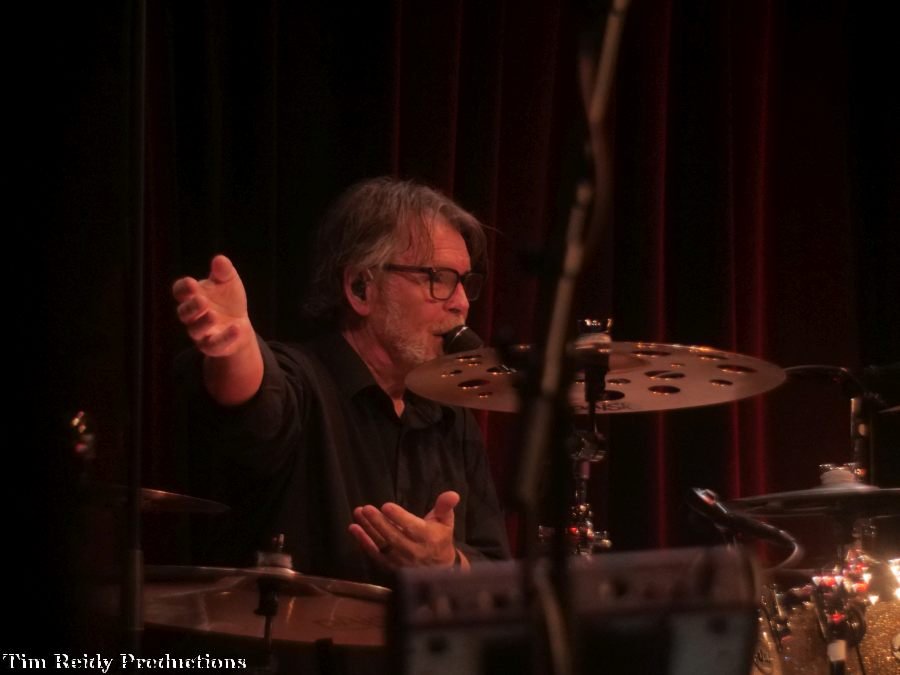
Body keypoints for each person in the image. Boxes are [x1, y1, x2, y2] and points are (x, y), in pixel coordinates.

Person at [172, 177, 510, 586]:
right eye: (438, 278)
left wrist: (449, 564)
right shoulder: (303, 381)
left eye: (465, 282)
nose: (461, 303)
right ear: (360, 288)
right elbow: (255, 400)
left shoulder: (452, 417)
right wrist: (234, 346)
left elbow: (498, 572)